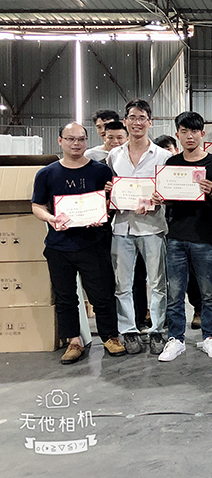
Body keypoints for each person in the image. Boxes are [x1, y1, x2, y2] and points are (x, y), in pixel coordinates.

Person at [31, 122, 126, 364]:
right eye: (71, 139)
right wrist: (51, 219)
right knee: (65, 297)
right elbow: (37, 206)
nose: (76, 143)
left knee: (102, 294)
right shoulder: (47, 173)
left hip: (94, 243)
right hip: (59, 246)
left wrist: (102, 214)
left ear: (87, 141)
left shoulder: (101, 171)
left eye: (81, 139)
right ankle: (74, 341)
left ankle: (110, 337)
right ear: (60, 141)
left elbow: (112, 203)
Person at [156, 112, 212, 362]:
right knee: (175, 292)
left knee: (208, 293)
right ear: (178, 134)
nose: (189, 136)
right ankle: (176, 339)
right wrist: (160, 197)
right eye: (184, 131)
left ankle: (209, 337)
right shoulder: (171, 163)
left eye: (194, 131)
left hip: (205, 236)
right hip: (176, 236)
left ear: (202, 134)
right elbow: (168, 198)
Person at [106, 99, 173, 355]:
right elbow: (111, 188)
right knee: (122, 284)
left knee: (157, 282)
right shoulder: (114, 155)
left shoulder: (164, 157)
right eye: (132, 117)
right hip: (122, 227)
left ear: (150, 122)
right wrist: (110, 190)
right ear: (125, 121)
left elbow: (169, 192)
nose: (137, 122)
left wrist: (159, 199)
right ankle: (128, 330)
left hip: (152, 227)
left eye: (142, 117)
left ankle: (157, 329)